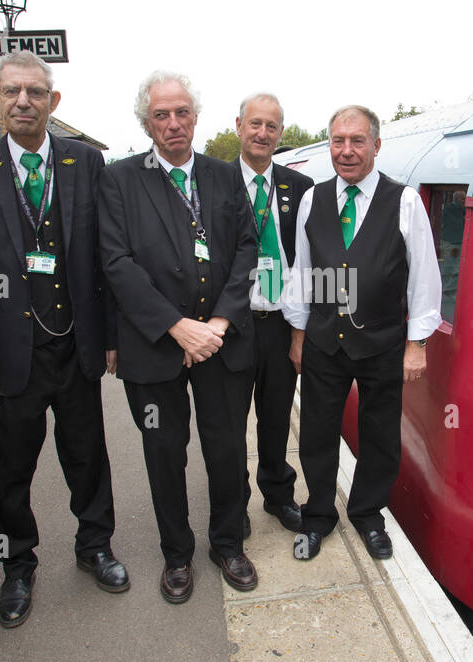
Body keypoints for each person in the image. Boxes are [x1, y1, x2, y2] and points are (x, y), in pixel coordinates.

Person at [0, 51, 124, 628]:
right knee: (10, 470)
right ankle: (15, 565)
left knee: (87, 456)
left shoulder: (85, 162)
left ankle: (94, 545)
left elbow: (106, 259)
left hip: (76, 347)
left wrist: (111, 339)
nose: (24, 101)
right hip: (9, 354)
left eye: (36, 92)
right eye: (12, 91)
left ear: (54, 101)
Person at [98, 71, 259, 603]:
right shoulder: (119, 179)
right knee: (165, 454)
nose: (174, 124)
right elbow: (116, 262)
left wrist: (217, 323)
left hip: (220, 342)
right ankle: (177, 554)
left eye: (182, 112)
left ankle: (228, 544)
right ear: (147, 122)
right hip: (156, 347)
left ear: (196, 116)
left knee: (227, 448)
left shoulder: (223, 175)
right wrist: (176, 326)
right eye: (162, 115)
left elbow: (245, 250)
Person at [283, 105, 442, 560]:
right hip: (323, 342)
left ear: (376, 144)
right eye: (338, 141)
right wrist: (298, 334)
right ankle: (317, 517)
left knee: (379, 434)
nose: (346, 150)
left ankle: (369, 514)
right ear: (329, 144)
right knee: (316, 432)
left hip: (382, 344)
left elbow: (424, 278)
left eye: (356, 141)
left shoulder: (405, 201)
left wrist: (417, 343)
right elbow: (301, 271)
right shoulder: (314, 198)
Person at [234, 94, 311, 538]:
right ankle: (235, 501)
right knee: (229, 423)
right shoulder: (216, 181)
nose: (263, 133)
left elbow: (306, 259)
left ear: (280, 133)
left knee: (277, 416)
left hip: (280, 322)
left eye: (272, 127)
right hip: (235, 324)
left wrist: (302, 331)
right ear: (239, 125)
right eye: (255, 124)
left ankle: (279, 495)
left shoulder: (297, 188)